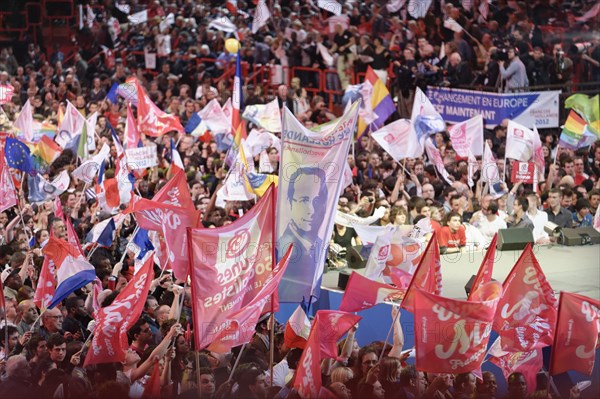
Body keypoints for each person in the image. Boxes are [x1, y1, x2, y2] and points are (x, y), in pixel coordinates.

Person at [278, 167, 328, 299]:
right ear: (290, 203)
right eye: (304, 200)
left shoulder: (321, 244)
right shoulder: (281, 250)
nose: (311, 210)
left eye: (317, 201)